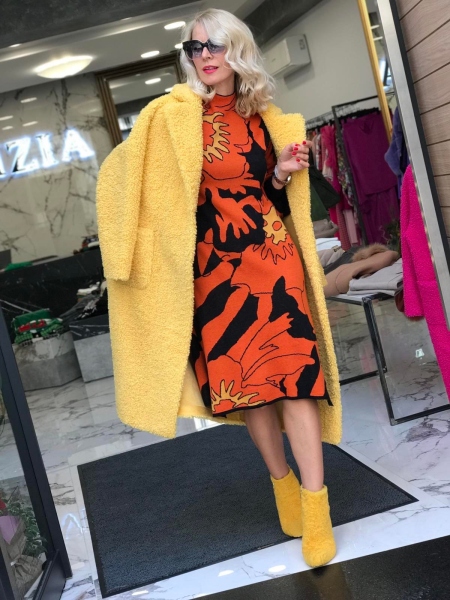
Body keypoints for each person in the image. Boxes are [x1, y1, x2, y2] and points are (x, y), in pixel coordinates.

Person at [97, 8, 342, 569]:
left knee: (297, 383)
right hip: (215, 275)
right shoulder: (174, 117)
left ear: (237, 51)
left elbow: (268, 196)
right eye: (195, 48)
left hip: (273, 262)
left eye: (215, 45)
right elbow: (126, 182)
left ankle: (316, 507)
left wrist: (281, 172)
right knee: (251, 391)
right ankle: (282, 484)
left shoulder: (266, 118)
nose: (204, 56)